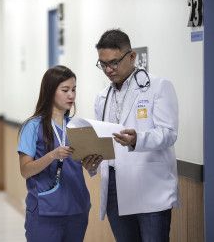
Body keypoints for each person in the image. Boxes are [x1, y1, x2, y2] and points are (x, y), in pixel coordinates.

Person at [91, 29, 179, 242]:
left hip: (150, 188)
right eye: (103, 64)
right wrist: (92, 157)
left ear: (131, 57)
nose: (108, 70)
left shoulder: (158, 86)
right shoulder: (102, 97)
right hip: (114, 187)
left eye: (114, 62)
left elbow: (168, 133)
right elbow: (102, 140)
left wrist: (137, 140)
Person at [17, 65, 96, 242]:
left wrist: (91, 164)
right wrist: (52, 155)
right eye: (65, 90)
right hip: (45, 211)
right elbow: (25, 170)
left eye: (74, 89)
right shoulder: (32, 126)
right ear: (51, 91)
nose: (72, 95)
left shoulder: (77, 126)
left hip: (77, 209)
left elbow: (81, 165)